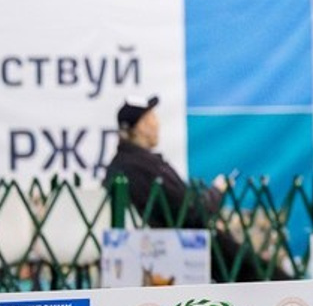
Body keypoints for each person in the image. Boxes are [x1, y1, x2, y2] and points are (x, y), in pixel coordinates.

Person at [104, 95, 289, 282]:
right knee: (271, 279)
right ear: (142, 126)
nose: (157, 123)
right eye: (152, 117)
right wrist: (217, 192)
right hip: (185, 250)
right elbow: (193, 214)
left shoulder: (118, 166)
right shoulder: (145, 167)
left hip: (163, 250)